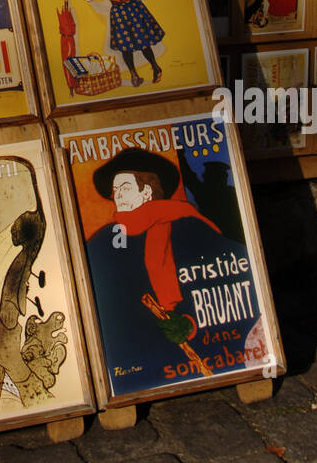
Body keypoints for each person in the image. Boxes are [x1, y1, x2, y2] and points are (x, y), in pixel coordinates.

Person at [83, 149, 258, 390]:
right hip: (129, 362)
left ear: (146, 191)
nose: (117, 195)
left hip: (189, 354)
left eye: (124, 187)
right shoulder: (106, 239)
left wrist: (191, 321)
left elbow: (234, 276)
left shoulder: (188, 226)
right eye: (115, 190)